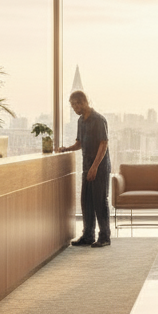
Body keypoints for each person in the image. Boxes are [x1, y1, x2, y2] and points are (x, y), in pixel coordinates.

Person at [58, 90, 111, 248]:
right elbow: (79, 143)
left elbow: (104, 144)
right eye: (72, 105)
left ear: (83, 102)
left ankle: (105, 236)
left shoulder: (99, 120)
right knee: (86, 201)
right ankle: (88, 235)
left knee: (99, 201)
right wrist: (66, 149)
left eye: (75, 105)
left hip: (99, 168)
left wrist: (95, 167)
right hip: (86, 167)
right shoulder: (81, 121)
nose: (74, 108)